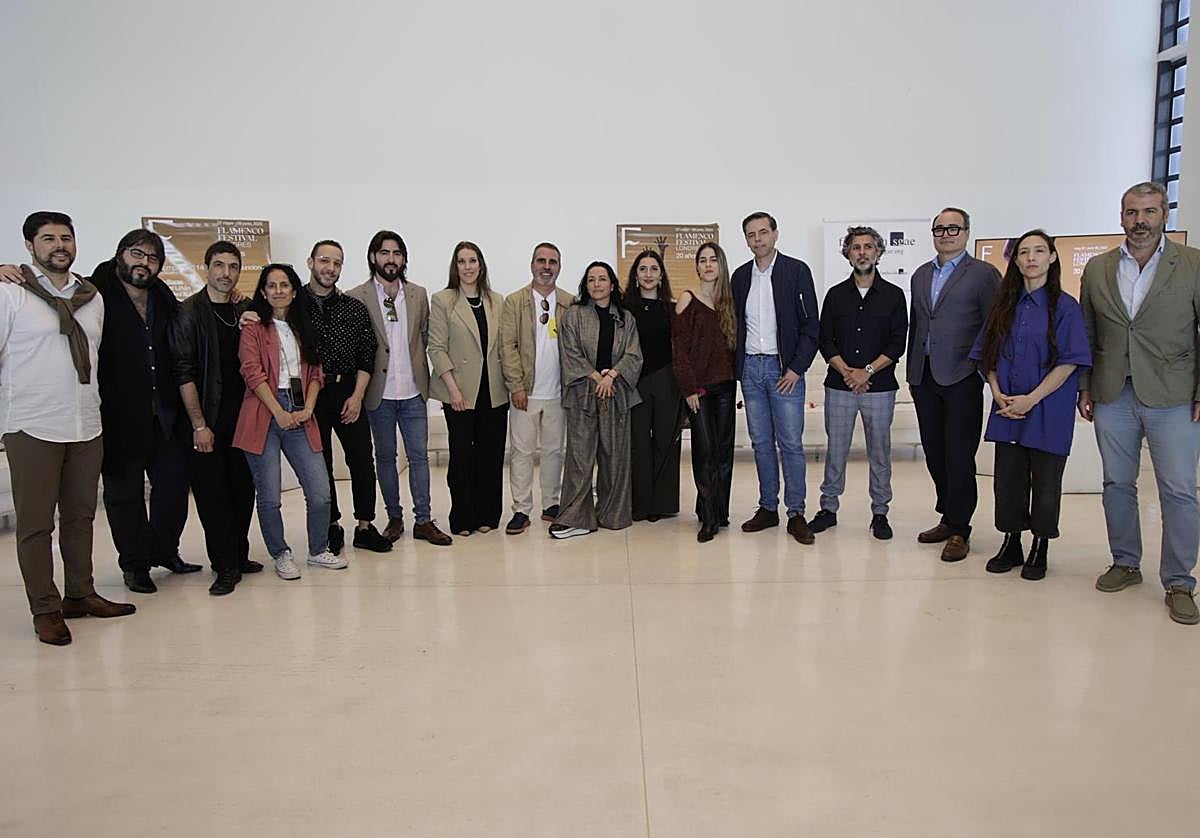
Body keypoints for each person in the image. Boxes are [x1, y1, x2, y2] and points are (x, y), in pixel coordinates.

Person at [1, 211, 134, 645]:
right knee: (36, 525)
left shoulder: (91, 297)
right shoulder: (10, 293)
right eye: (48, 238)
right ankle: (45, 608)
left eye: (66, 238)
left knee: (80, 517)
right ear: (30, 246)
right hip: (32, 424)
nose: (59, 245)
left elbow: (97, 357)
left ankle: (80, 593)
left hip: (85, 422)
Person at [1079, 181, 1200, 625]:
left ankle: (1179, 581)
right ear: (1121, 217)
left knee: (1179, 490)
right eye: (1132, 212)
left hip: (1174, 394)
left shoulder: (1192, 264)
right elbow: (1088, 333)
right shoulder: (1098, 268)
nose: (1140, 221)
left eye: (1149, 212)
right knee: (1117, 483)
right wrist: (1085, 387)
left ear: (1164, 214)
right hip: (1114, 392)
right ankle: (1126, 562)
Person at [970, 229, 1091, 580]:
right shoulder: (1004, 306)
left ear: (1052, 257)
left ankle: (1041, 544)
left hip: (1048, 408)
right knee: (1008, 481)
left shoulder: (1065, 307)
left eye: (1039, 251)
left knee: (1046, 482)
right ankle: (1011, 541)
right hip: (1007, 406)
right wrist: (996, 391)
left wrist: (1031, 399)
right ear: (1016, 260)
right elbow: (987, 355)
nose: (1031, 258)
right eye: (1024, 252)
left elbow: (1070, 362)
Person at [94, 229, 201, 593]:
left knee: (173, 488)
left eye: (153, 258)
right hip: (120, 415)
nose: (144, 263)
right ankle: (136, 564)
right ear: (120, 255)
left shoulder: (162, 296)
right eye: (137, 254)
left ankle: (165, 550)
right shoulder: (96, 292)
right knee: (124, 495)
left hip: (165, 415)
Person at [233, 263, 342, 579]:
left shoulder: (303, 327)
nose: (278, 291)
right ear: (263, 291)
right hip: (263, 410)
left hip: (301, 408)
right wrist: (277, 412)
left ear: (295, 291)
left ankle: (318, 550)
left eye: (284, 285)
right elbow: (252, 373)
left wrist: (308, 409)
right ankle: (280, 554)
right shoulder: (253, 327)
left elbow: (316, 373)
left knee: (320, 492)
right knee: (269, 495)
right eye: (272, 285)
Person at [907, 207, 1001, 561]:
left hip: (962, 376)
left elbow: (994, 326)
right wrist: (912, 373)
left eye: (953, 228)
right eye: (940, 229)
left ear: (966, 232)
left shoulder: (983, 275)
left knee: (960, 456)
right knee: (935, 453)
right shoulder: (921, 274)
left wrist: (984, 371)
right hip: (924, 376)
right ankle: (948, 516)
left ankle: (961, 528)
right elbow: (919, 325)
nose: (946, 234)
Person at [348, 231, 452, 546]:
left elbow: (426, 337)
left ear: (404, 258)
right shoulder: (357, 296)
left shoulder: (418, 294)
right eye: (384, 253)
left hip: (413, 391)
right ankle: (394, 517)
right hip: (379, 393)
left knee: (419, 458)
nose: (390, 259)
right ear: (373, 257)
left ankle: (424, 520)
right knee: (385, 457)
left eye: (396, 253)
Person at [170, 241, 262, 596]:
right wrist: (199, 425)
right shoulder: (188, 312)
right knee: (213, 496)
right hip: (207, 419)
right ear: (206, 268)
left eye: (233, 266)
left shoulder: (244, 308)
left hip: (244, 420)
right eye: (219, 265)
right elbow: (184, 373)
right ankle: (224, 567)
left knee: (243, 490)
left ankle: (239, 555)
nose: (226, 273)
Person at [808, 226, 908, 541]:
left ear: (878, 252)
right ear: (848, 254)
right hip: (840, 386)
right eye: (856, 247)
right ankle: (828, 509)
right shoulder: (835, 295)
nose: (862, 252)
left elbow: (897, 343)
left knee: (879, 452)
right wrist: (848, 373)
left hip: (880, 387)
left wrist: (866, 371)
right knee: (836, 451)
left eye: (868, 247)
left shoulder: (894, 295)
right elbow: (825, 340)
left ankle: (880, 513)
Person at [732, 212, 820, 544]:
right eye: (751, 235)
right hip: (751, 370)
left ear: (775, 234)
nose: (758, 240)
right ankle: (768, 507)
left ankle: (796, 513)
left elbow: (811, 325)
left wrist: (796, 368)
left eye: (763, 232)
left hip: (785, 371)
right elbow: (735, 324)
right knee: (760, 443)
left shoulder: (796, 271)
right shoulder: (741, 276)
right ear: (746, 240)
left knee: (791, 444)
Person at [302, 239, 392, 555]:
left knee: (362, 460)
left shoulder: (353, 307)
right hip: (309, 396)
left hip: (348, 391)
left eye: (337, 263)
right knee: (321, 463)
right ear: (310, 262)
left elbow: (367, 354)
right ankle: (331, 525)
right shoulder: (294, 305)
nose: (330, 268)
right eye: (324, 260)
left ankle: (365, 526)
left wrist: (357, 397)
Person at [551, 261, 643, 538]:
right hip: (583, 394)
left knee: (615, 457)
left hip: (616, 393)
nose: (597, 284)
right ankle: (575, 519)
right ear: (586, 285)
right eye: (591, 279)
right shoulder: (574, 315)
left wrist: (612, 376)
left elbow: (633, 354)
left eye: (602, 279)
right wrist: (596, 377)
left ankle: (613, 514)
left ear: (612, 285)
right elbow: (570, 352)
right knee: (579, 459)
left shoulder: (626, 318)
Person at [428, 242, 508, 536]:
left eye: (472, 260)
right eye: (461, 261)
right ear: (455, 266)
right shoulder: (443, 300)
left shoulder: (497, 300)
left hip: (494, 392)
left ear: (481, 264)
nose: (468, 266)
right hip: (459, 393)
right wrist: (453, 390)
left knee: (491, 456)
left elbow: (504, 346)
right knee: (462, 458)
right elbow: (436, 348)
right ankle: (463, 518)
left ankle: (488, 515)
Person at [498, 243, 571, 535]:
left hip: (558, 393)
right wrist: (516, 385)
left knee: (554, 451)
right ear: (532, 265)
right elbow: (507, 346)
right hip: (525, 393)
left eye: (553, 262)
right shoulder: (514, 302)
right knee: (522, 452)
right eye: (541, 261)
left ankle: (551, 504)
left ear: (559, 267)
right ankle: (521, 509)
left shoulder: (569, 302)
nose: (546, 267)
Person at [672, 242, 737, 543]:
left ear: (721, 265)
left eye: (713, 260)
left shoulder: (728, 303)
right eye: (703, 260)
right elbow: (679, 350)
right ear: (697, 267)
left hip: (726, 386)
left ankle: (718, 511)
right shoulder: (688, 299)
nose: (708, 265)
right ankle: (708, 519)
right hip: (699, 390)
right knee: (705, 451)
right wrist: (688, 389)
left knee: (723, 453)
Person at [624, 249, 683, 522]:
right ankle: (639, 504)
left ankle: (662, 504)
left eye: (654, 269)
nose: (648, 274)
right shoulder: (625, 309)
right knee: (638, 445)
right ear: (635, 275)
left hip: (666, 382)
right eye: (643, 269)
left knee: (665, 443)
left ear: (661, 276)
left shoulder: (673, 309)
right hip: (634, 383)